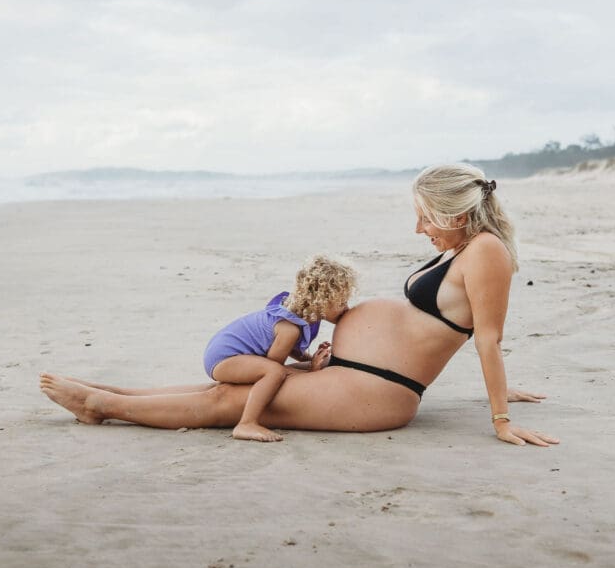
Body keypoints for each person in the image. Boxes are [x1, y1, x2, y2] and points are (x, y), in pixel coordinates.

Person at [40, 163, 558, 447]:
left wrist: (501, 417)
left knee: (228, 403)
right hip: (357, 373)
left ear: (455, 214)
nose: (418, 227)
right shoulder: (466, 248)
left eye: (425, 217)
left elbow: (487, 337)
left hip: (377, 390)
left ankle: (100, 406)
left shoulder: (486, 251)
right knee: (228, 388)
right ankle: (110, 391)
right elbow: (457, 328)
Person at [203, 255, 354, 442]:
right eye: (341, 303)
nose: (347, 308)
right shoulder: (289, 329)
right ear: (320, 301)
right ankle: (246, 423)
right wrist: (311, 372)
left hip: (231, 354)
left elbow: (288, 349)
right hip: (224, 358)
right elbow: (275, 368)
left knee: (282, 370)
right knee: (274, 373)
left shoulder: (305, 316)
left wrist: (309, 360)